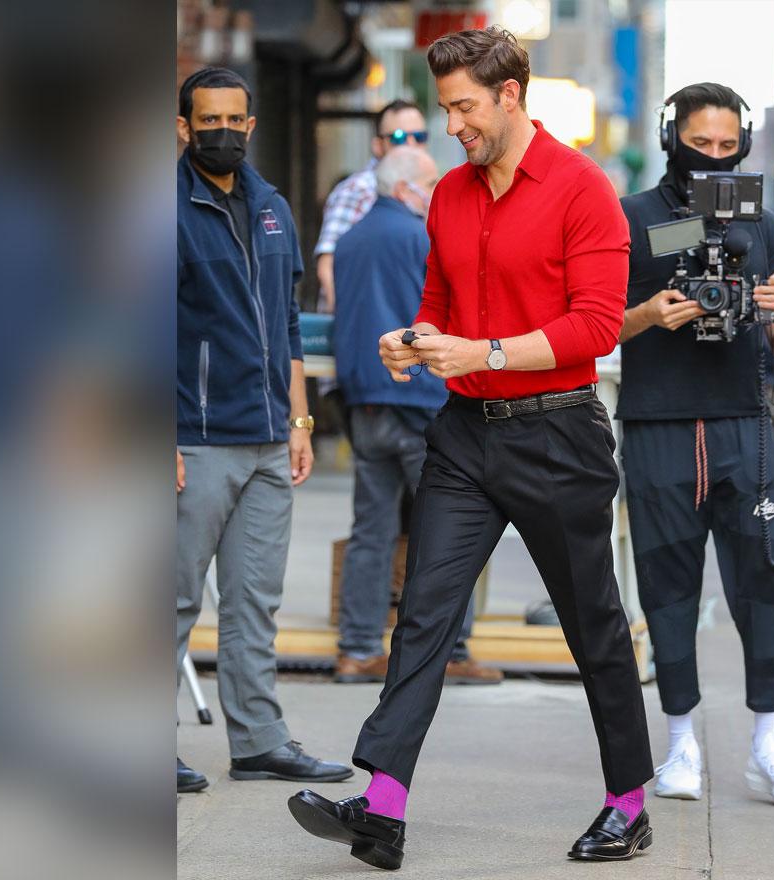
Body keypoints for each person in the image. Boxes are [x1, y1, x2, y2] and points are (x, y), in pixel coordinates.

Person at [286, 27, 654, 869]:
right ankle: (382, 808)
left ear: (511, 95)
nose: (450, 124)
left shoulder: (583, 190)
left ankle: (627, 804)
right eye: (445, 105)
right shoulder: (449, 194)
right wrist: (412, 340)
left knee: (592, 624)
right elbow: (438, 301)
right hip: (461, 436)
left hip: (559, 433)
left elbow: (595, 328)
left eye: (462, 107)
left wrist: (485, 352)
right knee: (423, 616)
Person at [615, 83, 774, 805]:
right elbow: (598, 325)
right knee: (666, 590)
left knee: (765, 585)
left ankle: (768, 744)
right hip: (658, 426)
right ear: (672, 136)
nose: (711, 157)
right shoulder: (634, 218)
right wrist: (649, 312)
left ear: (744, 142)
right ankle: (680, 746)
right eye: (698, 143)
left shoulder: (763, 226)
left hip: (744, 425)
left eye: (725, 145)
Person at [175, 67, 351, 793]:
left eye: (233, 121)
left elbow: (285, 327)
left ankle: (259, 740)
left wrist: (301, 420)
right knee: (174, 596)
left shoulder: (273, 208)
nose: (222, 132)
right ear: (184, 128)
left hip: (271, 436)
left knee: (255, 599)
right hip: (195, 438)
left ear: (251, 126)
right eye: (206, 120)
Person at [330, 146, 501, 686]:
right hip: (417, 399)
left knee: (371, 529)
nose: (435, 194)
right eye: (429, 184)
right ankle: (451, 652)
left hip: (364, 400)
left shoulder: (351, 240)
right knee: (448, 529)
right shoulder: (420, 237)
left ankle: (357, 648)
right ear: (405, 189)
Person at [312, 99, 429, 313]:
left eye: (419, 137)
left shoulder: (427, 187)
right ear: (377, 145)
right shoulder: (357, 190)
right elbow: (328, 265)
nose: (411, 145)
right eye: (399, 137)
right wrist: (349, 324)